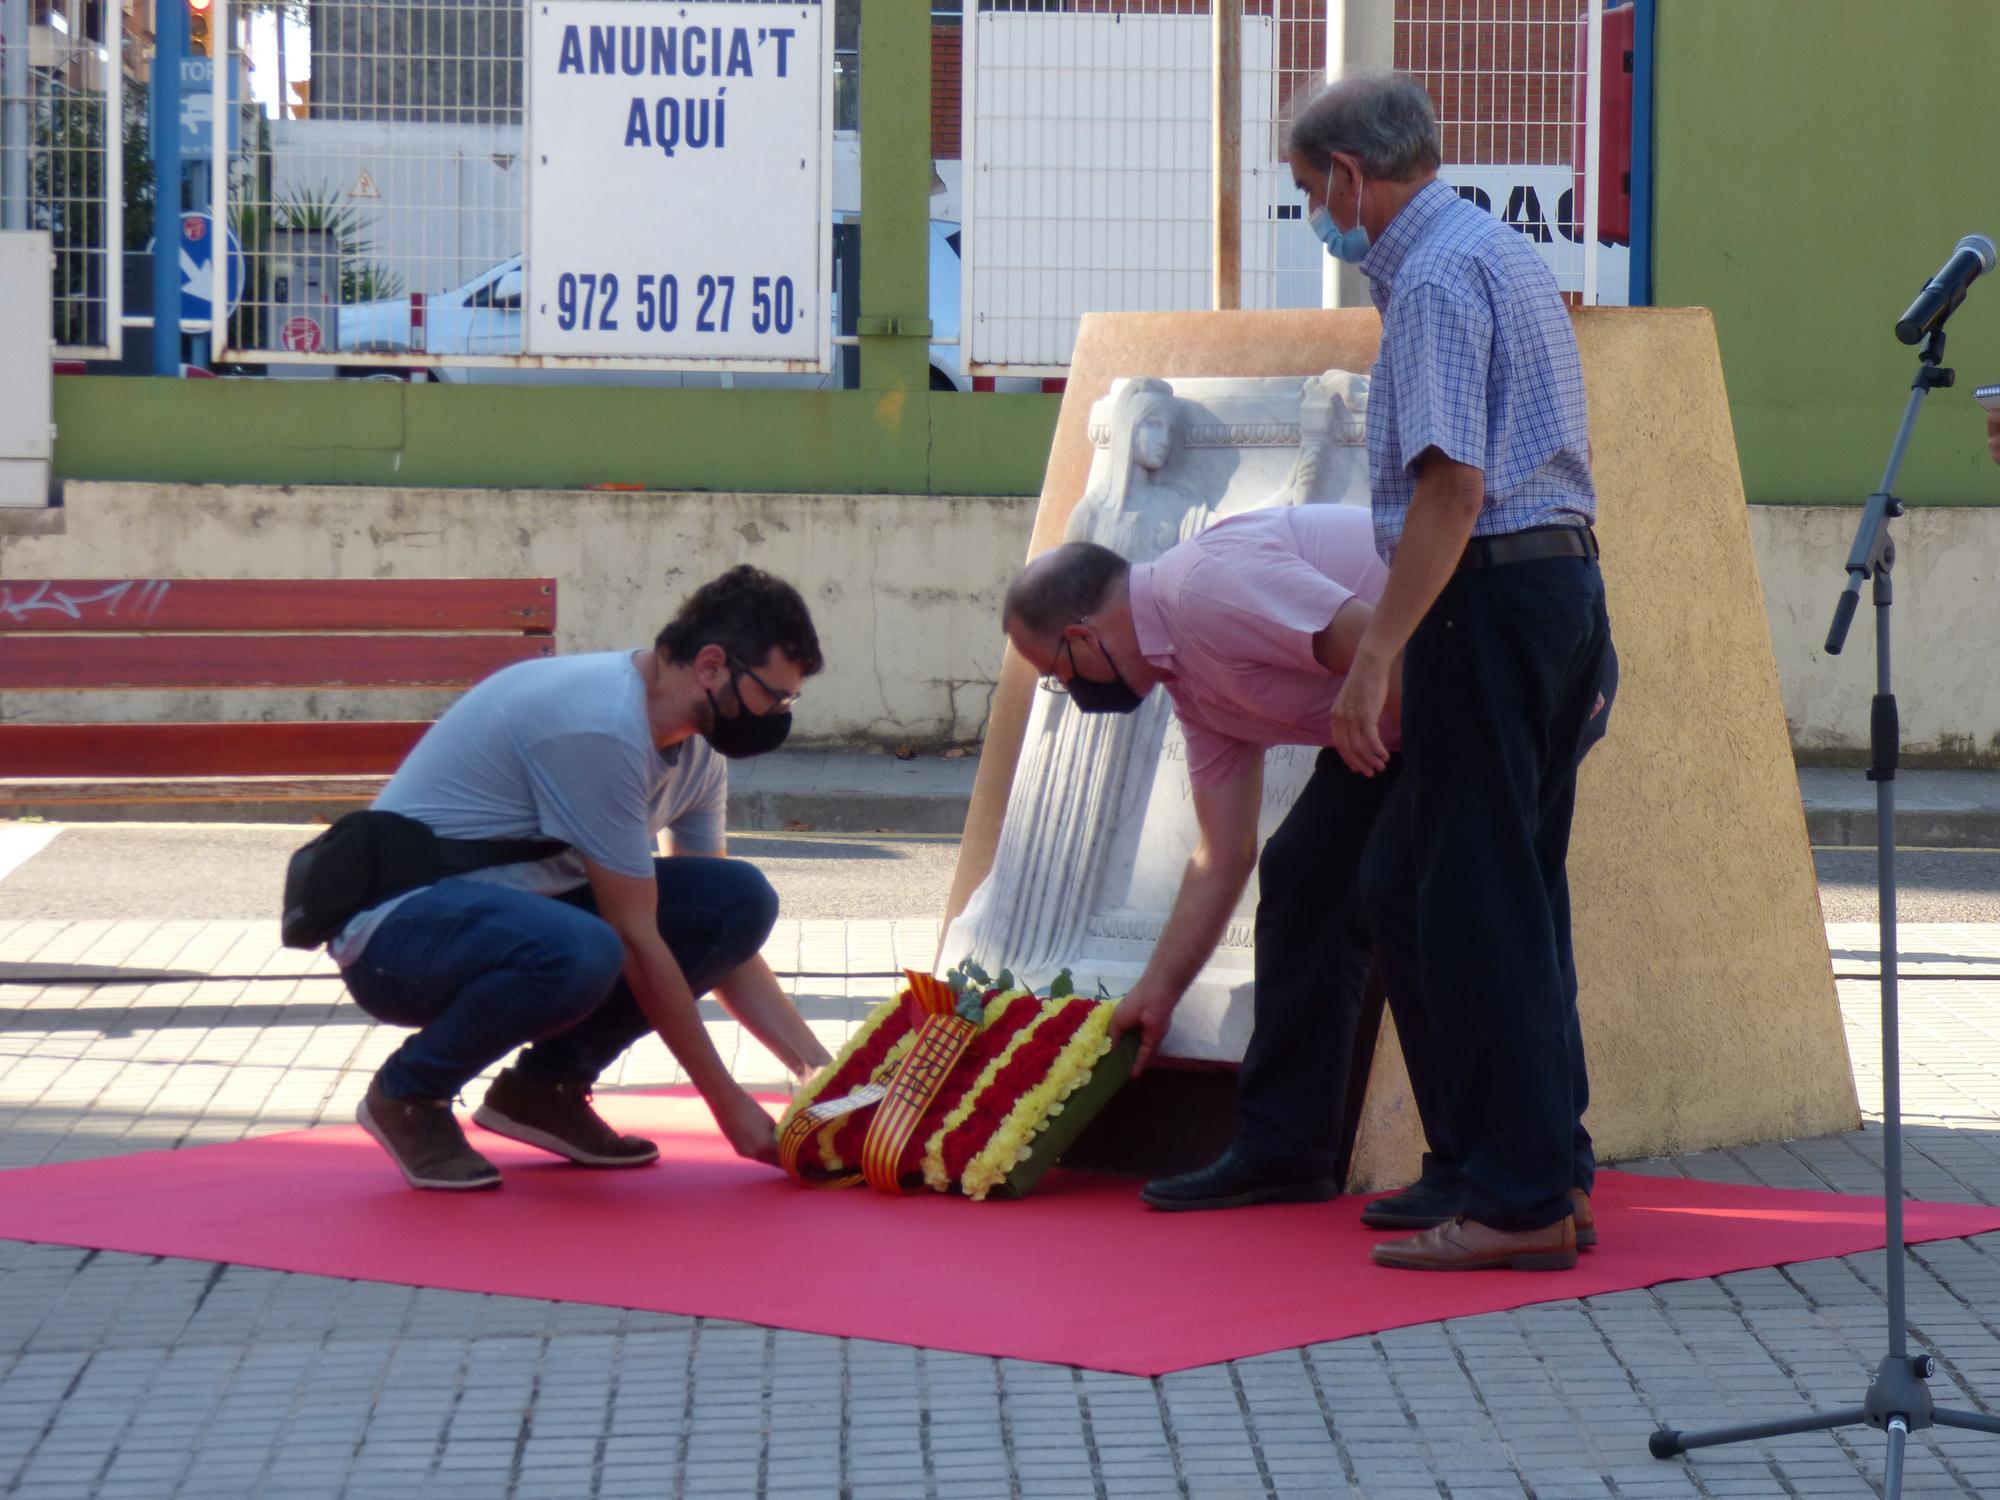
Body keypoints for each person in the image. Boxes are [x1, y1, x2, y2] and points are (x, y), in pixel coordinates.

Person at [1000, 512, 1613, 1226]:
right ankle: (1285, 1146)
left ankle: (1483, 1163)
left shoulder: (1206, 589)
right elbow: (1220, 856)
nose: (1072, 695)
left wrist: (1472, 803)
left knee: (1410, 881)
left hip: (1501, 683)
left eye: (1058, 676)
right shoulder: (1188, 676)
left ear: (1080, 636)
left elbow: (1381, 650)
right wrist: (1155, 996)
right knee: (1303, 874)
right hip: (1407, 712)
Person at [1289, 72, 1611, 1271]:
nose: (1315, 216)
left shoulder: (1425, 277)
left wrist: (1372, 659)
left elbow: (1450, 487)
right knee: (1478, 896)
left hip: (1485, 598)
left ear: (1349, 177)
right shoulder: (1494, 248)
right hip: (1549, 590)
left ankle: (1519, 1194)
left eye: (1308, 192)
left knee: (1480, 910)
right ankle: (1521, 1169)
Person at [329, 565, 834, 1191]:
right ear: (711, 665)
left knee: (736, 901)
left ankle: (544, 1091)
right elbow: (639, 942)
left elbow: (721, 942)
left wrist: (823, 1074)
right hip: (396, 934)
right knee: (590, 947)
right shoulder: (599, 725)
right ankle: (409, 1094)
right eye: (774, 695)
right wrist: (728, 1104)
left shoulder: (697, 750)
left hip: (512, 919)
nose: (779, 714)